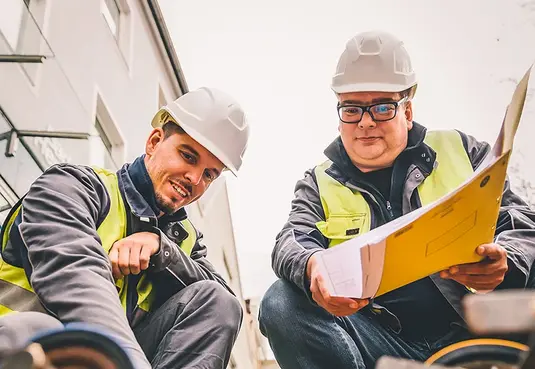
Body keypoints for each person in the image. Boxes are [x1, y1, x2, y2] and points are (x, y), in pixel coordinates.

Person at [258, 30, 535, 369]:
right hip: (383, 345)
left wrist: (508, 259)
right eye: (352, 109)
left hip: (479, 330)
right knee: (282, 302)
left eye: (382, 107)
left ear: (407, 111)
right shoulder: (318, 183)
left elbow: (522, 219)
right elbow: (291, 241)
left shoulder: (460, 151)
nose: (365, 122)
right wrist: (311, 266)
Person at [0, 87, 250, 369]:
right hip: (19, 351)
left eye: (209, 175)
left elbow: (222, 310)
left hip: (108, 360)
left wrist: (162, 250)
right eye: (188, 156)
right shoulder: (72, 188)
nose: (194, 178)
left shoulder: (186, 243)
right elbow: (78, 279)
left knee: (219, 302)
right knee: (40, 328)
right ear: (155, 141)